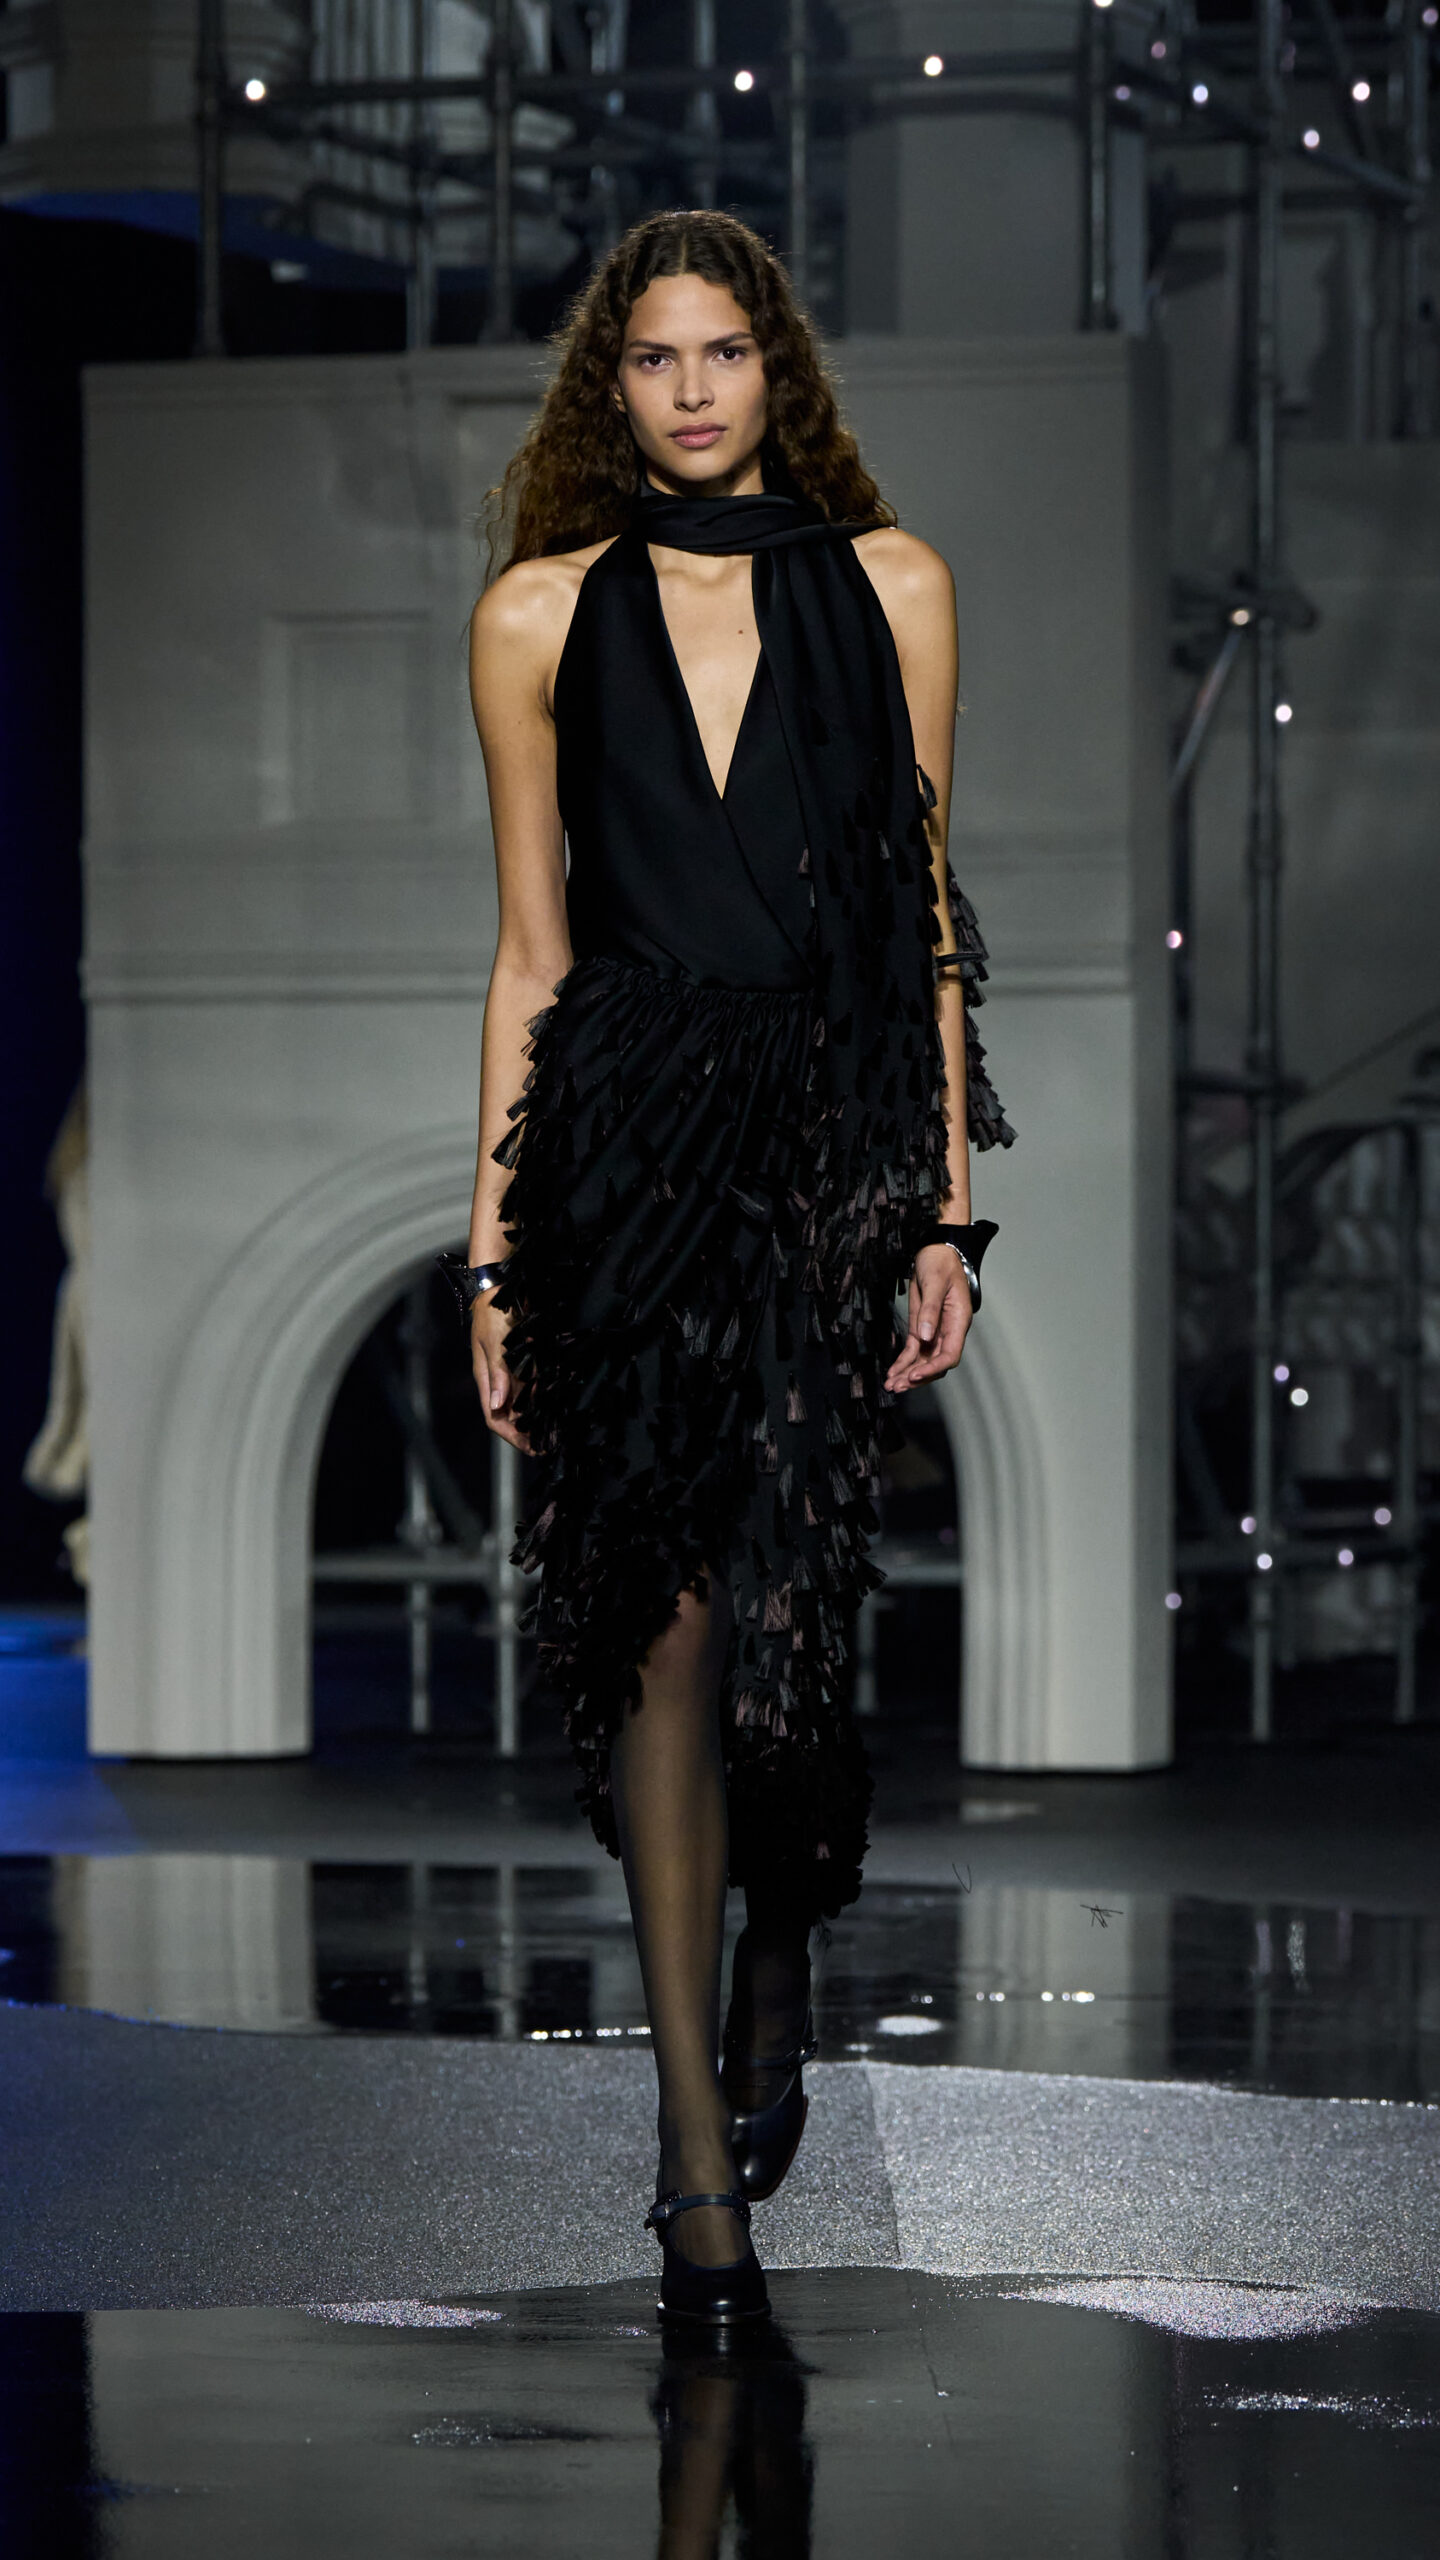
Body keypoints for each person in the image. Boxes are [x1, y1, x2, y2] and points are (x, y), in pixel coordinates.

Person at [452, 209, 1012, 2326]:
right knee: (663, 1627)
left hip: (822, 1153)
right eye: (654, 358)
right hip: (622, 1154)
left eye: (725, 353)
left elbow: (921, 915)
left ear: (780, 371)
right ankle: (693, 2151)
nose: (691, 390)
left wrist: (942, 1206)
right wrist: (494, 1255)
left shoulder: (894, 586)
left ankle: (781, 1956)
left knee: (789, 1628)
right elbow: (529, 954)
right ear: (611, 385)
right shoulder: (535, 614)